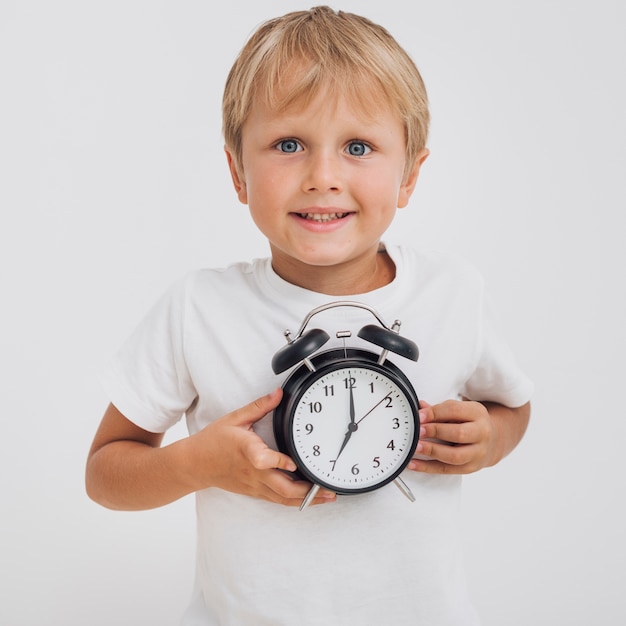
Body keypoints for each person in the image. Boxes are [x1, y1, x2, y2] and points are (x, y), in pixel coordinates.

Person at [86, 6, 533, 625]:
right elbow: (106, 473)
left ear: (409, 175)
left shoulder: (453, 291)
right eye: (288, 144)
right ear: (238, 171)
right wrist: (195, 463)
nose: (323, 177)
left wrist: (489, 440)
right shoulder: (199, 309)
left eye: (358, 146)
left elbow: (513, 407)